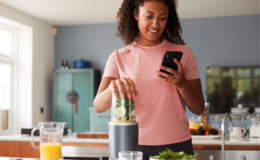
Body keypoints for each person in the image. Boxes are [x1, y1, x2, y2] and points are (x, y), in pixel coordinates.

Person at [93, 0, 205, 159]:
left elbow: (199, 108)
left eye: (162, 18)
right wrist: (113, 88)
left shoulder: (183, 53)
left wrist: (182, 84)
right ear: (136, 14)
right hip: (131, 144)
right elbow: (98, 106)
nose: (156, 24)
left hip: (176, 144)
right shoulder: (118, 57)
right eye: (149, 16)